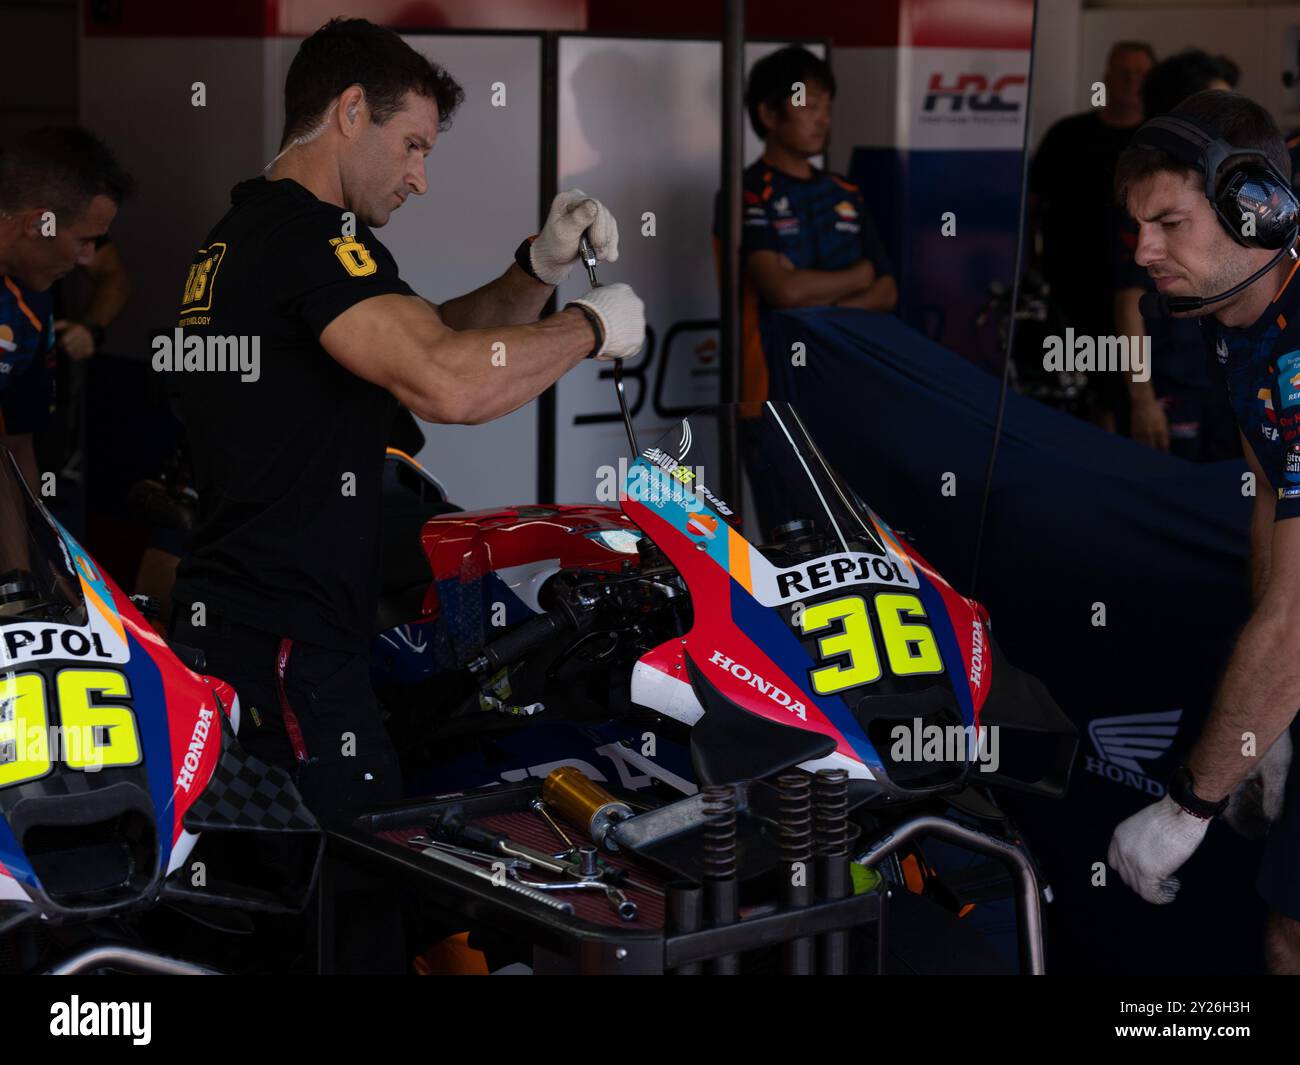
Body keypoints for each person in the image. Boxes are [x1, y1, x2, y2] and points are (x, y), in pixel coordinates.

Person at [167, 18, 644, 828]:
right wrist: (587, 330)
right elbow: (444, 382)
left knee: (311, 888)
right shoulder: (306, 237)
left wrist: (539, 269)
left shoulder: (253, 234)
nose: (419, 177)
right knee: (353, 895)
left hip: (255, 622)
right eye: (413, 145)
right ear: (351, 110)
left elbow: (430, 337)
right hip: (289, 641)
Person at [1107, 90, 1300, 973]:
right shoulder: (1237, 318)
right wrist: (1274, 726)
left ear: (1256, 212)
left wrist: (1186, 810)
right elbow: (1268, 487)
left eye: (1169, 223)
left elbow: (1296, 626)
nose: (1144, 249)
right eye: (1137, 225)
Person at [714, 46, 896, 404]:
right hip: (770, 390)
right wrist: (857, 278)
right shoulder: (746, 191)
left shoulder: (845, 191)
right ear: (768, 112)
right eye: (810, 106)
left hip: (848, 384)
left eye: (827, 106)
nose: (823, 119)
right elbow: (784, 292)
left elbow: (887, 291)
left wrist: (817, 299)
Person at [1113, 50, 1240, 459]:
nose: (1234, 120)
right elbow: (1129, 300)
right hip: (1172, 388)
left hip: (1228, 384)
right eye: (1221, 107)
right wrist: (1141, 399)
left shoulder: (1232, 186)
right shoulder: (1146, 186)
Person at [1031, 41, 1154, 430]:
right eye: (1123, 72)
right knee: (1073, 399)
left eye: (1141, 74)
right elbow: (1032, 206)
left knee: (1124, 394)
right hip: (1069, 293)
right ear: (1105, 77)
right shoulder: (1068, 136)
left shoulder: (1157, 145)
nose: (1131, 81)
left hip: (1136, 291)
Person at [0, 127, 130, 488]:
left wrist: (31, 545)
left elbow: (14, 451)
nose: (88, 256)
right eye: (84, 241)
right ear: (38, 223)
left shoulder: (30, 306)